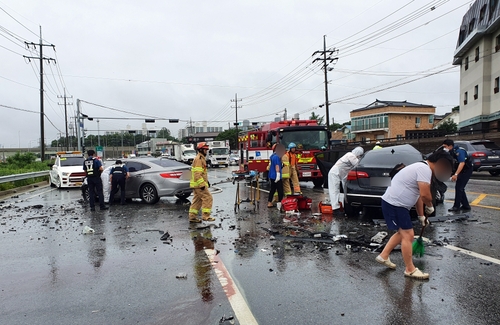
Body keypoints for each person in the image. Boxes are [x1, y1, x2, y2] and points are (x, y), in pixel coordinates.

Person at [376, 150, 453, 280]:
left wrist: (421, 216)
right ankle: (410, 269)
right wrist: (430, 206)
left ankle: (383, 256)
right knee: (408, 235)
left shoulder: (422, 168)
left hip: (396, 204)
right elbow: (425, 195)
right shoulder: (424, 169)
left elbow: (418, 196)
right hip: (395, 204)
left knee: (402, 233)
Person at [328, 147, 364, 214]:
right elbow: (357, 164)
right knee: (335, 190)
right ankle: (335, 208)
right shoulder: (350, 155)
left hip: (343, 174)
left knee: (345, 190)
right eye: (360, 155)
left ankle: (346, 205)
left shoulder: (351, 156)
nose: (359, 156)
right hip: (335, 173)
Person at [442, 139, 473, 212]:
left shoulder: (459, 151)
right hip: (461, 170)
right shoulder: (451, 151)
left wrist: (456, 174)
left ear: (450, 146)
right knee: (460, 188)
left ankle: (456, 206)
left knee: (459, 188)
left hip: (466, 170)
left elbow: (462, 163)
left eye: (445, 146)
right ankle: (466, 206)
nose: (444, 148)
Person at [189, 142, 215, 223]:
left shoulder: (201, 158)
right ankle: (206, 216)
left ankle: (192, 217)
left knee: (197, 201)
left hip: (197, 185)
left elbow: (201, 173)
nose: (206, 151)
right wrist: (202, 184)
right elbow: (197, 174)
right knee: (208, 198)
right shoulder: (199, 159)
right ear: (201, 150)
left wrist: (207, 181)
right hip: (199, 185)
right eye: (205, 149)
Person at [268, 143, 286, 209]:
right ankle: (280, 203)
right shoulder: (276, 157)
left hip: (272, 176)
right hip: (275, 176)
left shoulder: (274, 156)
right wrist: (278, 176)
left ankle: (269, 202)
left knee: (272, 189)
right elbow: (277, 167)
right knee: (280, 190)